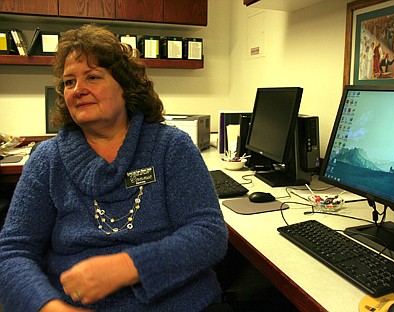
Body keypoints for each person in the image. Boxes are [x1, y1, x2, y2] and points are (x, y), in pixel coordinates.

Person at [0, 24, 228, 312]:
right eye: (69, 82)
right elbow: (13, 252)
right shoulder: (46, 160)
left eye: (92, 77)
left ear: (126, 87)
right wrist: (49, 307)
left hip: (177, 303)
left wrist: (128, 266)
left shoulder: (172, 147)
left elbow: (209, 234)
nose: (78, 90)